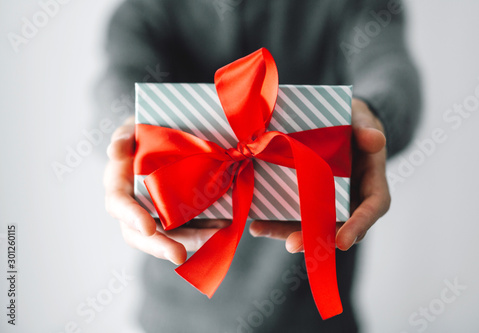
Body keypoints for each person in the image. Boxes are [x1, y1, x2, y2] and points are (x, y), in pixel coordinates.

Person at [99, 0, 421, 331]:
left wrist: (374, 116)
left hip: (311, 320)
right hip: (174, 317)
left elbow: (389, 69)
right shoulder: (149, 10)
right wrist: (125, 131)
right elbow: (119, 81)